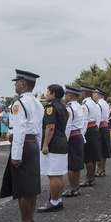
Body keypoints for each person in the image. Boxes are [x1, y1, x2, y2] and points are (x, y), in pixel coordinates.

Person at [0, 70, 43, 222]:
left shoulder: (19, 103)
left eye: (16, 81)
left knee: (23, 187)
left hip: (23, 145)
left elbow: (19, 130)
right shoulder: (37, 103)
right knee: (31, 185)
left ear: (23, 83)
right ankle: (30, 221)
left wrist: (16, 155)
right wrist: (38, 148)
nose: (15, 84)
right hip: (32, 145)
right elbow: (39, 129)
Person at [37, 84, 69, 213]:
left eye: (47, 92)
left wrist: (45, 145)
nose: (46, 94)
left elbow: (50, 127)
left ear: (53, 94)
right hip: (61, 142)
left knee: (53, 175)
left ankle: (54, 202)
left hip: (53, 144)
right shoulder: (62, 106)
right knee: (59, 174)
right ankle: (58, 200)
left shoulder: (51, 107)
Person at [62, 85, 84, 198]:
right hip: (79, 135)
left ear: (70, 96)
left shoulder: (69, 108)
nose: (65, 97)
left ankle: (73, 188)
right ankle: (76, 188)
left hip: (72, 137)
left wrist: (64, 141)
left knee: (71, 165)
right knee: (77, 164)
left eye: (66, 95)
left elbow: (67, 126)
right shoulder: (79, 106)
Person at [79, 84, 102, 187]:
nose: (80, 94)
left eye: (81, 92)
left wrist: (82, 135)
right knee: (92, 156)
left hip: (88, 129)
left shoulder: (84, 105)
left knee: (88, 157)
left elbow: (84, 121)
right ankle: (91, 178)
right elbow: (98, 117)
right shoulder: (93, 103)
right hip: (94, 128)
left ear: (85, 93)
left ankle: (89, 179)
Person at [94, 87, 111, 177]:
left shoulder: (97, 105)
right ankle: (103, 168)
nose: (94, 96)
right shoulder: (105, 103)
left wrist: (95, 130)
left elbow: (97, 118)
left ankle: (99, 169)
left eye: (95, 94)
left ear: (98, 95)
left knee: (99, 150)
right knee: (104, 149)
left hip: (100, 127)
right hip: (105, 126)